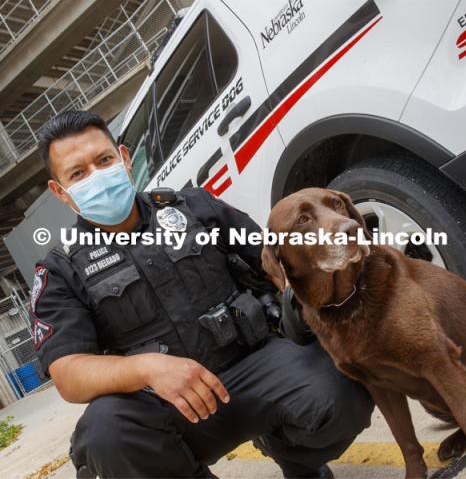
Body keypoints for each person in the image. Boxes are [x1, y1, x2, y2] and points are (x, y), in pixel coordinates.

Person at [31, 110, 373, 479]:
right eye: (78, 174)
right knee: (104, 434)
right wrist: (145, 367)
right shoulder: (60, 270)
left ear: (125, 159)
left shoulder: (194, 207)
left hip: (256, 368)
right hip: (171, 409)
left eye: (104, 160)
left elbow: (273, 264)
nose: (98, 177)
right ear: (60, 191)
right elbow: (67, 371)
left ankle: (291, 452)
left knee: (343, 385)